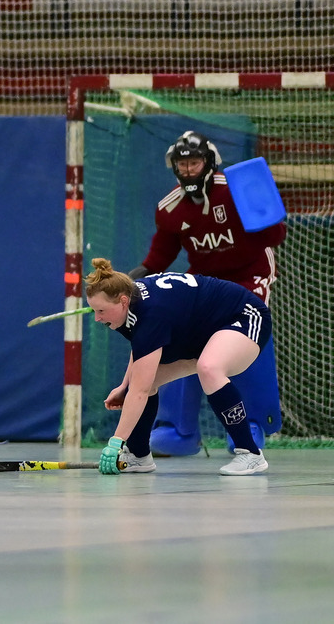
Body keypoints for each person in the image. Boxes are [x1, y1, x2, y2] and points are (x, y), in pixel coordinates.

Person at [130, 131, 286, 456]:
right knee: (179, 335)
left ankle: (251, 423)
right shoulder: (169, 208)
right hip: (206, 280)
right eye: (182, 164)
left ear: (210, 163)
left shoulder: (235, 191)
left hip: (250, 273)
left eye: (195, 163)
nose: (188, 170)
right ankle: (178, 429)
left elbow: (274, 236)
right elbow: (161, 255)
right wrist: (133, 279)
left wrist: (268, 215)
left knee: (244, 333)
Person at [85, 258, 272, 476]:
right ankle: (138, 455)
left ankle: (251, 453)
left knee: (209, 367)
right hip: (201, 332)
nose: (97, 318)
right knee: (141, 382)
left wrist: (116, 442)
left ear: (123, 301)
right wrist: (124, 385)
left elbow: (140, 392)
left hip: (245, 316)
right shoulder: (128, 307)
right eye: (94, 311)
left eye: (101, 310)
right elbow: (142, 350)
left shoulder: (150, 312)